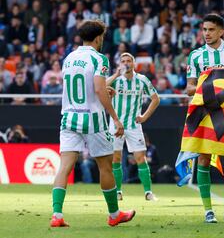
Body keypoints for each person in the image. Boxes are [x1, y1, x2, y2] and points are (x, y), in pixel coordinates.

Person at [51, 19, 135, 228]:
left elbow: (82, 87)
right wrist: (115, 118)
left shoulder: (69, 58)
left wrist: (103, 89)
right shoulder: (99, 59)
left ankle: (57, 215)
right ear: (99, 38)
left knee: (64, 167)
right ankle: (114, 214)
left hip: (69, 117)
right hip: (93, 119)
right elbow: (97, 89)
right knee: (105, 167)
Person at [186, 14, 224, 223]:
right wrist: (208, 87)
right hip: (207, 112)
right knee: (203, 158)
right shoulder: (196, 56)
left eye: (211, 30)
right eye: (204, 30)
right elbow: (189, 87)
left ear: (221, 32)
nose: (206, 34)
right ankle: (208, 211)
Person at [106, 52, 160, 201]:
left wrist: (144, 116)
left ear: (134, 63)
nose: (126, 63)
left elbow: (156, 99)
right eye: (123, 61)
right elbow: (100, 87)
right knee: (116, 158)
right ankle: (118, 192)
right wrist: (116, 74)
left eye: (128, 60)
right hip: (116, 124)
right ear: (119, 64)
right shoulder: (116, 80)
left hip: (134, 125)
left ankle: (148, 192)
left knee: (140, 158)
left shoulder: (142, 80)